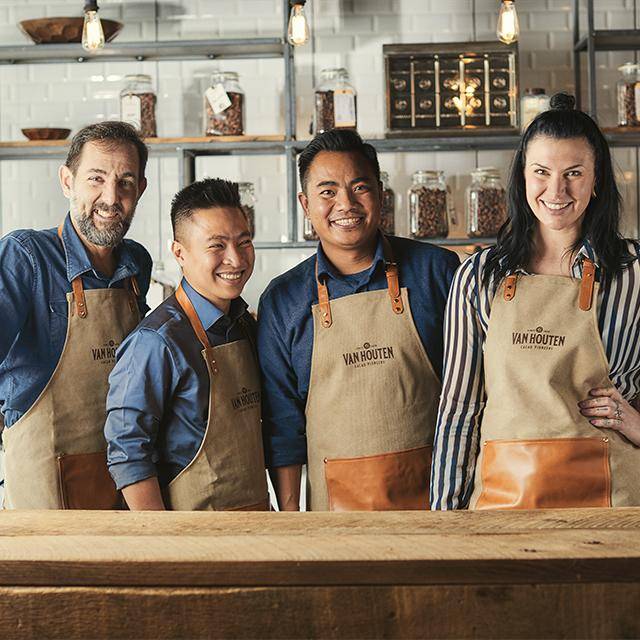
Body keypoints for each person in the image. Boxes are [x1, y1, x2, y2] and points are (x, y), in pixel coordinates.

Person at [431, 93, 640, 511]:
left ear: (596, 179)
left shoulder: (633, 272)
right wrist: (445, 525)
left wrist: (635, 424)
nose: (556, 190)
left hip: (613, 506)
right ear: (523, 177)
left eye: (574, 173)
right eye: (541, 172)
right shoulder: (478, 277)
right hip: (503, 508)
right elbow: (459, 412)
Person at [258, 129, 460, 512]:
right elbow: (283, 426)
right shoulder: (283, 300)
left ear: (381, 194)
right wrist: (289, 521)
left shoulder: (438, 272)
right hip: (334, 520)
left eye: (360, 187)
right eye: (328, 191)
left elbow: (472, 393)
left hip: (439, 506)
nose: (345, 204)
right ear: (305, 204)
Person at [0, 121, 152, 509]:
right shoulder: (26, 256)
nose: (110, 198)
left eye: (125, 183)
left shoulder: (136, 263)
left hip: (126, 482)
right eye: (96, 179)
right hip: (45, 486)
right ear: (67, 181)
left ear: (141, 190)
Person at [104, 178, 268, 511]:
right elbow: (126, 453)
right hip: (190, 536)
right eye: (217, 246)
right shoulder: (156, 342)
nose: (235, 259)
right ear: (180, 252)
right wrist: (164, 542)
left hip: (254, 525)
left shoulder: (245, 326)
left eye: (244, 241)